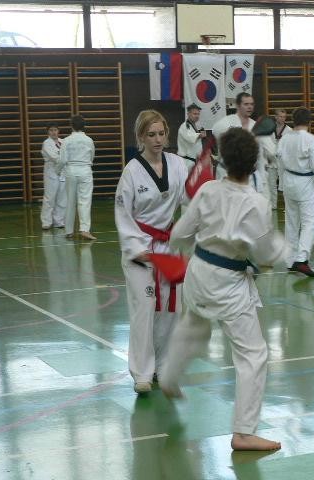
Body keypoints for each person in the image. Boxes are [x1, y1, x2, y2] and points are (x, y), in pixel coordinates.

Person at [160, 127, 286, 451]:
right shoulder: (256, 203)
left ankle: (170, 377)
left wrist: (188, 250)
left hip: (199, 272)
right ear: (255, 164)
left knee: (192, 326)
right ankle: (244, 432)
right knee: (253, 354)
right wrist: (287, 254)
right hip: (229, 283)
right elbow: (265, 252)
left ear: (223, 161)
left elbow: (178, 234)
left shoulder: (207, 191)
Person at [114, 110, 191, 394]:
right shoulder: (131, 172)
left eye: (161, 134)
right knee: (144, 309)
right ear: (140, 138)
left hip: (169, 246)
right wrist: (138, 249)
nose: (158, 140)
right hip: (141, 249)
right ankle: (142, 373)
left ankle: (164, 365)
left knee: (172, 309)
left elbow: (189, 199)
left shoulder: (178, 164)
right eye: (151, 135)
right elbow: (123, 215)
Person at [277, 107, 314, 277]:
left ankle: (290, 261)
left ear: (293, 121)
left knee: (291, 222)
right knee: (311, 223)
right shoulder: (310, 139)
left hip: (289, 181)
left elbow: (279, 159)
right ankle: (302, 260)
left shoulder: (285, 138)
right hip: (305, 183)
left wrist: (281, 184)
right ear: (309, 122)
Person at [58, 115, 96, 240]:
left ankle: (69, 231)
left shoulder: (66, 140)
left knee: (70, 202)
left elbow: (62, 160)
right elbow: (92, 157)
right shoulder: (89, 140)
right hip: (85, 170)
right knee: (84, 201)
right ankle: (84, 229)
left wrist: (58, 171)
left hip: (71, 171)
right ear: (84, 126)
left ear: (71, 126)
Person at [211, 92, 256, 182]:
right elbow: (215, 133)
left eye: (252, 104)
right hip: (226, 171)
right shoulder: (225, 123)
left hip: (247, 174)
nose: (250, 107)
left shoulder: (254, 125)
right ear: (238, 106)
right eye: (246, 104)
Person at [40, 123, 66, 230]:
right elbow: (54, 157)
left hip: (63, 172)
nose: (54, 132)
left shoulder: (63, 142)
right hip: (51, 172)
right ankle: (46, 222)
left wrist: (65, 159)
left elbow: (67, 154)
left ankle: (59, 221)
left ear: (58, 131)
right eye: (51, 130)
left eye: (55, 130)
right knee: (49, 198)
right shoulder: (46, 143)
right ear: (48, 132)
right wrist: (64, 159)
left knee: (62, 198)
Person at [268, 109, 292, 209]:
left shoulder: (289, 130)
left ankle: (289, 205)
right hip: (271, 159)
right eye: (280, 116)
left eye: (284, 117)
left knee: (284, 184)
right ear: (276, 117)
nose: (282, 119)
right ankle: (272, 205)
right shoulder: (269, 129)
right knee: (271, 184)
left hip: (283, 160)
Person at [177, 103, 206, 171]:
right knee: (185, 181)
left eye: (198, 114)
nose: (197, 116)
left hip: (195, 161)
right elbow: (190, 138)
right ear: (188, 114)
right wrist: (200, 135)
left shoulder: (196, 126)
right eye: (194, 114)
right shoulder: (184, 126)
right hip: (186, 161)